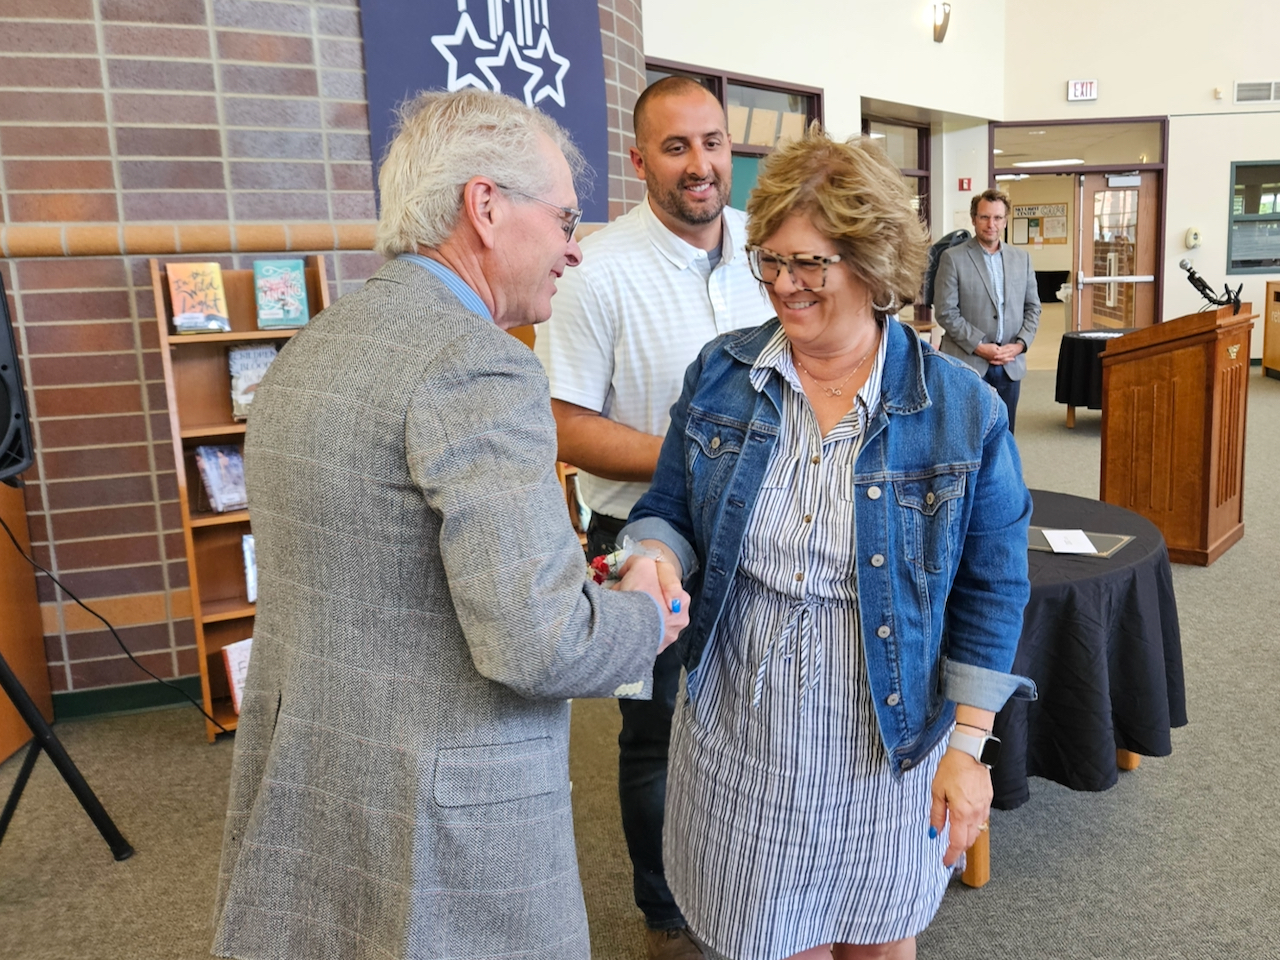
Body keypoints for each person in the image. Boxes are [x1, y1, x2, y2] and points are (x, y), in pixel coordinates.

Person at [211, 88, 689, 960]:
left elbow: (385, 564)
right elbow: (539, 645)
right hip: (446, 827)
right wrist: (649, 615)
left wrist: (561, 580)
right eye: (566, 219)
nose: (574, 250)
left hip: (318, 785)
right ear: (485, 205)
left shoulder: (316, 344)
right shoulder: (479, 366)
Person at [622, 128, 1036, 960]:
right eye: (768, 260)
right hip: (744, 735)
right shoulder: (722, 375)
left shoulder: (961, 410)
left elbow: (993, 588)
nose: (783, 284)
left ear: (873, 262)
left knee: (880, 942)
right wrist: (653, 555)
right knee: (766, 941)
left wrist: (968, 747)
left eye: (809, 264)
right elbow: (668, 506)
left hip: (883, 744)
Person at [535, 75, 772, 960]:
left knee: (762, 714)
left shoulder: (768, 254)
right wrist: (692, 455)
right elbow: (562, 420)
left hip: (764, 536)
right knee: (659, 736)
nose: (700, 164)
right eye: (676, 147)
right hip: (645, 545)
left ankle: (756, 880)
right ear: (641, 162)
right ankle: (668, 917)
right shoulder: (594, 268)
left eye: (712, 142)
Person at [933, 188, 1041, 432]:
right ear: (973, 219)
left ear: (1005, 220)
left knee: (1004, 435)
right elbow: (946, 311)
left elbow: (1033, 307)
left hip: (1009, 363)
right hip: (968, 363)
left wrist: (1021, 344)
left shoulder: (1021, 259)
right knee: (966, 436)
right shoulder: (953, 258)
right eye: (984, 217)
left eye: (997, 218)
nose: (990, 224)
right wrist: (980, 346)